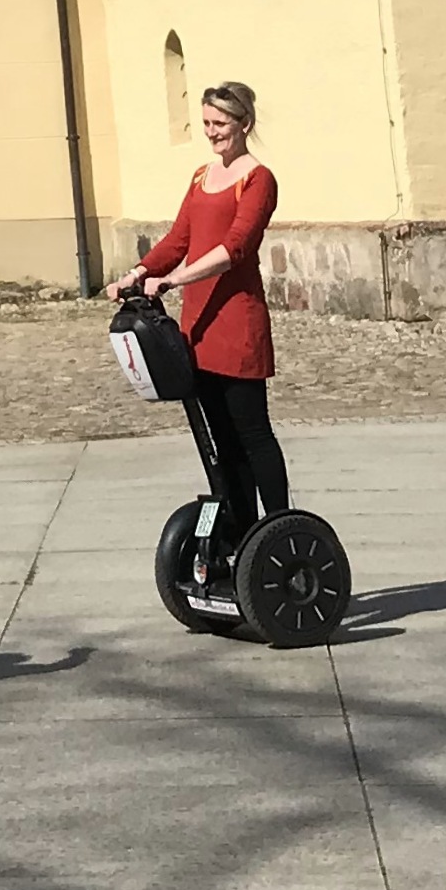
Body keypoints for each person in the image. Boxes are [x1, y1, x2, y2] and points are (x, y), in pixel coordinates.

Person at [109, 77, 287, 581]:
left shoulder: (257, 179)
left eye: (221, 124)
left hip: (237, 322)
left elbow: (235, 248)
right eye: (207, 124)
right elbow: (179, 239)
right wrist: (139, 274)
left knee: (252, 434)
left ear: (244, 124)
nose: (213, 133)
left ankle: (278, 531)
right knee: (219, 442)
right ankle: (239, 538)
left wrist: (174, 279)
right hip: (197, 327)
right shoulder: (199, 177)